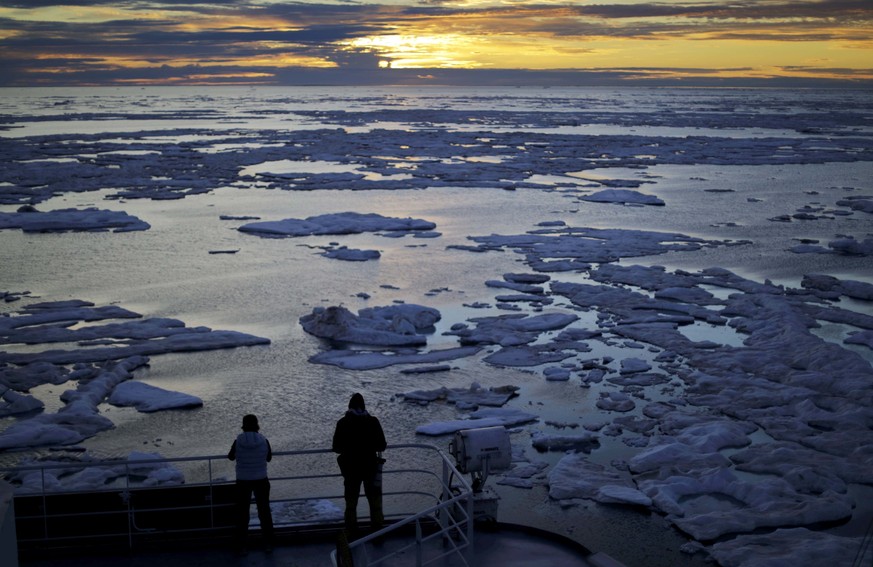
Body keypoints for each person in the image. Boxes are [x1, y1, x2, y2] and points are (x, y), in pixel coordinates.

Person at [332, 393, 387, 536]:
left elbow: (336, 447)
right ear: (364, 406)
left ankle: (351, 532)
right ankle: (377, 531)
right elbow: (382, 445)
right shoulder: (373, 421)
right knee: (374, 502)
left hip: (350, 470)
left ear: (349, 407)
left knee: (351, 503)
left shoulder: (343, 423)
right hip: (370, 468)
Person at [228, 414, 275, 552]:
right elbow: (269, 458)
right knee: (264, 511)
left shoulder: (238, 440)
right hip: (261, 479)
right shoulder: (263, 440)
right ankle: (268, 543)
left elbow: (231, 457)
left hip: (243, 481)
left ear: (243, 425)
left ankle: (241, 545)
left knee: (242, 513)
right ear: (257, 425)